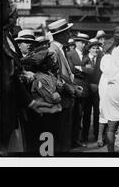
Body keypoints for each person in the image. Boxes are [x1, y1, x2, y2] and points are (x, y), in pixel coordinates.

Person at [0, 0, 52, 155]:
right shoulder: (2, 38)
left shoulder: (6, 36)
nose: (15, 21)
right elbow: (7, 76)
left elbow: (11, 71)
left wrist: (21, 74)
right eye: (13, 17)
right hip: (6, 105)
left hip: (15, 103)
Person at [47, 18, 79, 152]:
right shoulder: (53, 50)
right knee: (61, 134)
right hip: (61, 98)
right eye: (68, 32)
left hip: (66, 97)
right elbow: (54, 77)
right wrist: (70, 88)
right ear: (60, 35)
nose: (70, 35)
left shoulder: (60, 49)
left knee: (64, 132)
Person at [67, 32, 91, 148]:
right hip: (74, 87)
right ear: (76, 42)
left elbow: (92, 70)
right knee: (73, 115)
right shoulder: (70, 54)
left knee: (80, 116)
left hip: (85, 89)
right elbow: (71, 69)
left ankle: (76, 139)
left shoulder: (87, 55)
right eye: (81, 42)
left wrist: (80, 68)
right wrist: (84, 69)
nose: (83, 44)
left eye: (85, 42)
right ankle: (71, 140)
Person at [81, 38, 103, 144]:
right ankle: (84, 137)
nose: (96, 50)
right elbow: (83, 75)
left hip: (98, 89)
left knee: (98, 113)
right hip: (88, 90)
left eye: (97, 48)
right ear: (89, 49)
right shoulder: (85, 60)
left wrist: (98, 85)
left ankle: (97, 136)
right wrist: (90, 84)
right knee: (86, 113)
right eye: (94, 48)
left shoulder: (101, 59)